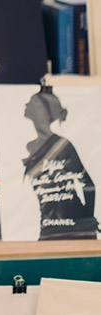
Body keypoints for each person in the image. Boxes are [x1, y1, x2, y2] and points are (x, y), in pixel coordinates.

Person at [22, 87, 97, 240]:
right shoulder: (28, 147)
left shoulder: (62, 145)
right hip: (47, 223)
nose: (26, 104)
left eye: (32, 102)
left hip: (70, 225)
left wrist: (86, 219)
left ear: (42, 111)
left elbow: (88, 184)